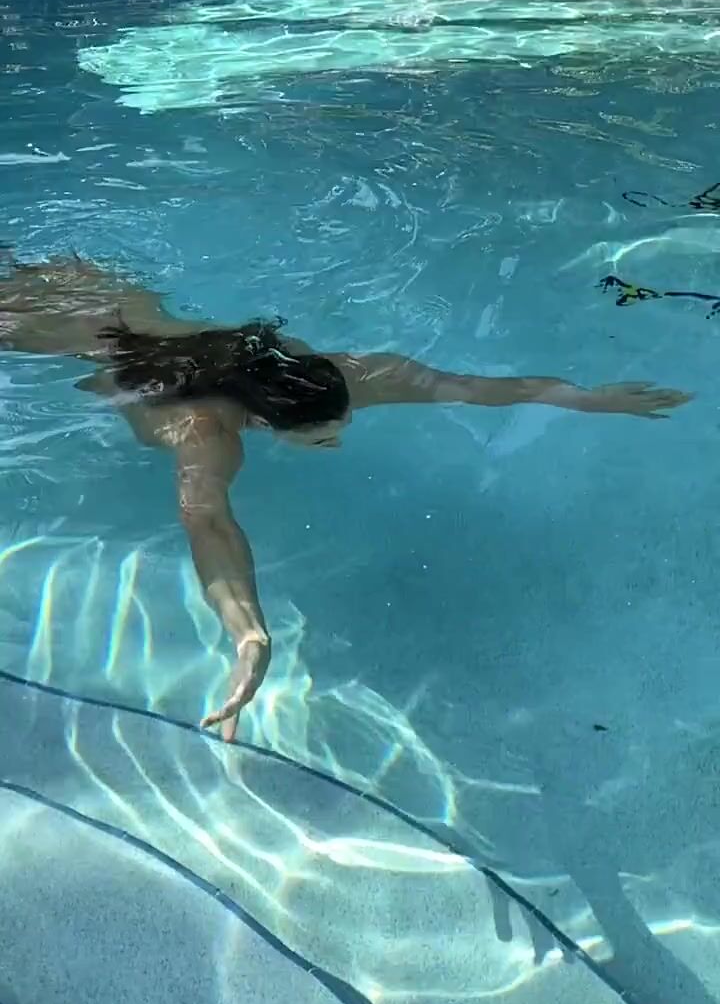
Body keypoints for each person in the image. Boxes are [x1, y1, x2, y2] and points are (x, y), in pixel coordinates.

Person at [0, 254, 692, 741]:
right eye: (325, 436)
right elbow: (208, 523)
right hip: (37, 328)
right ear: (263, 424)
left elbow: (472, 387)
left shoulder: (326, 375)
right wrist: (248, 634)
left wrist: (589, 399)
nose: (342, 433)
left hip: (99, 290)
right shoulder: (204, 433)